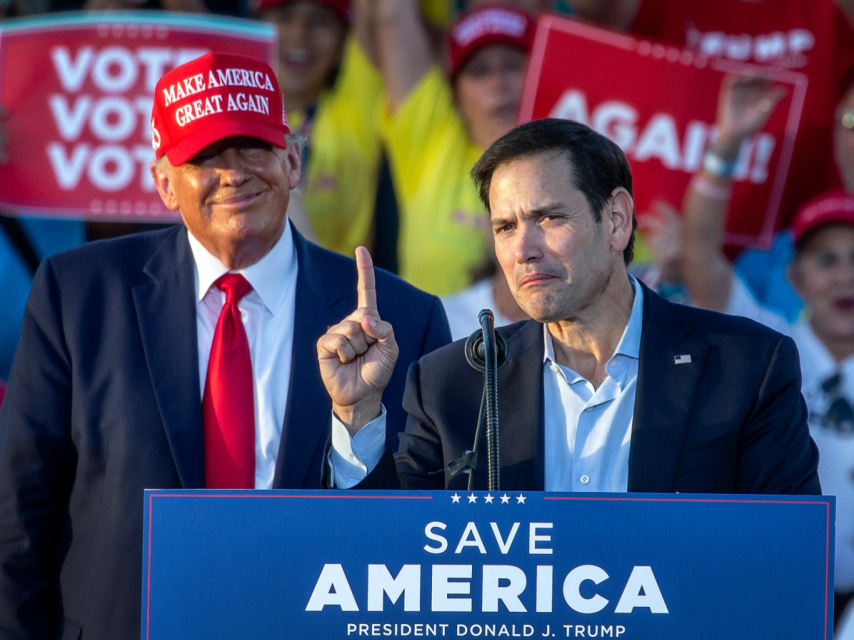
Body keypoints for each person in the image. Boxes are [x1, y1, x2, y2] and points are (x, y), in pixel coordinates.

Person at [0, 53, 450, 640]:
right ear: (164, 182)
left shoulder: (402, 317)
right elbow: (18, 510)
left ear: (292, 160)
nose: (234, 173)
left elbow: (428, 530)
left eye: (254, 149)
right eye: (206, 157)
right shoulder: (78, 294)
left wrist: (359, 423)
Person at [318, 117, 820, 496]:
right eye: (505, 227)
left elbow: (784, 564)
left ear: (617, 220)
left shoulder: (748, 368)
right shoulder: (450, 384)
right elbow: (391, 556)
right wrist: (358, 413)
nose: (523, 250)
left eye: (549, 218)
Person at [680, 74, 854, 625]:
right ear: (795, 277)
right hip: (778, 593)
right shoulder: (769, 346)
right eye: (827, 261)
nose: (845, 277)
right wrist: (726, 145)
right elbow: (699, 255)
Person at [567, 0, 854, 231]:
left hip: (804, 241)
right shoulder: (664, 7)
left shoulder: (831, 9)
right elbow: (592, 11)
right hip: (676, 237)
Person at [375, 0, 536, 294]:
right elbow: (392, 16)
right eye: (479, 71)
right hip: (435, 341)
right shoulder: (431, 140)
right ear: (456, 95)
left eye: (513, 66)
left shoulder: (580, 162)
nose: (499, 83)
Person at [257, 0, 387, 256]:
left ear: (343, 45)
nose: (300, 34)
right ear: (255, 31)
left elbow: (384, 12)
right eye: (285, 16)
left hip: (337, 291)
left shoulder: (357, 111)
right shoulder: (229, 111)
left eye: (321, 21)